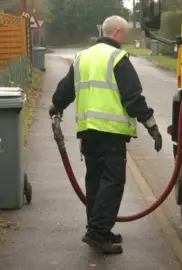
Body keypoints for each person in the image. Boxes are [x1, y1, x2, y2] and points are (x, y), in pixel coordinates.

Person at [48, 15, 163, 254]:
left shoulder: (83, 57)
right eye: (126, 33)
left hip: (88, 132)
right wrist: (151, 125)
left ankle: (100, 228)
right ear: (118, 32)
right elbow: (133, 98)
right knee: (112, 182)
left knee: (95, 181)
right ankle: (97, 233)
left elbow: (65, 90)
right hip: (111, 134)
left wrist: (56, 106)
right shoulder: (117, 58)